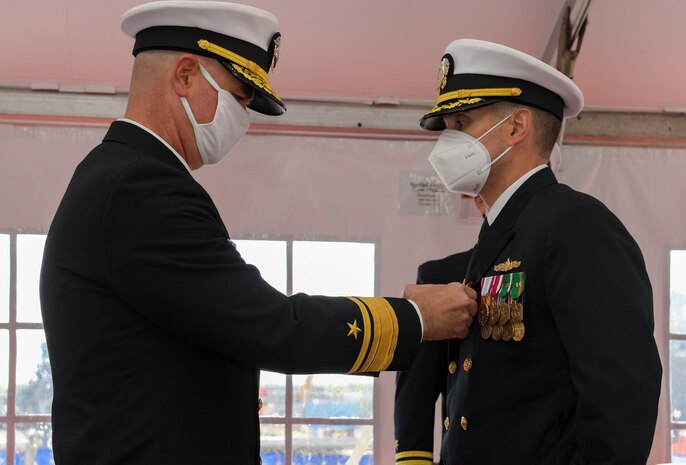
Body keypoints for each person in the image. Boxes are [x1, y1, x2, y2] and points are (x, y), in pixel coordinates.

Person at [38, 3, 478, 464]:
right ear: (185, 75)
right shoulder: (139, 188)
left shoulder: (122, 176)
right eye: (240, 96)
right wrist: (414, 316)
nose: (243, 118)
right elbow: (273, 326)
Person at [395, 38, 662, 465]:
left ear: (517, 127)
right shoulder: (503, 229)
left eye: (461, 123)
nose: (447, 141)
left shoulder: (575, 224)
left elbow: (622, 397)